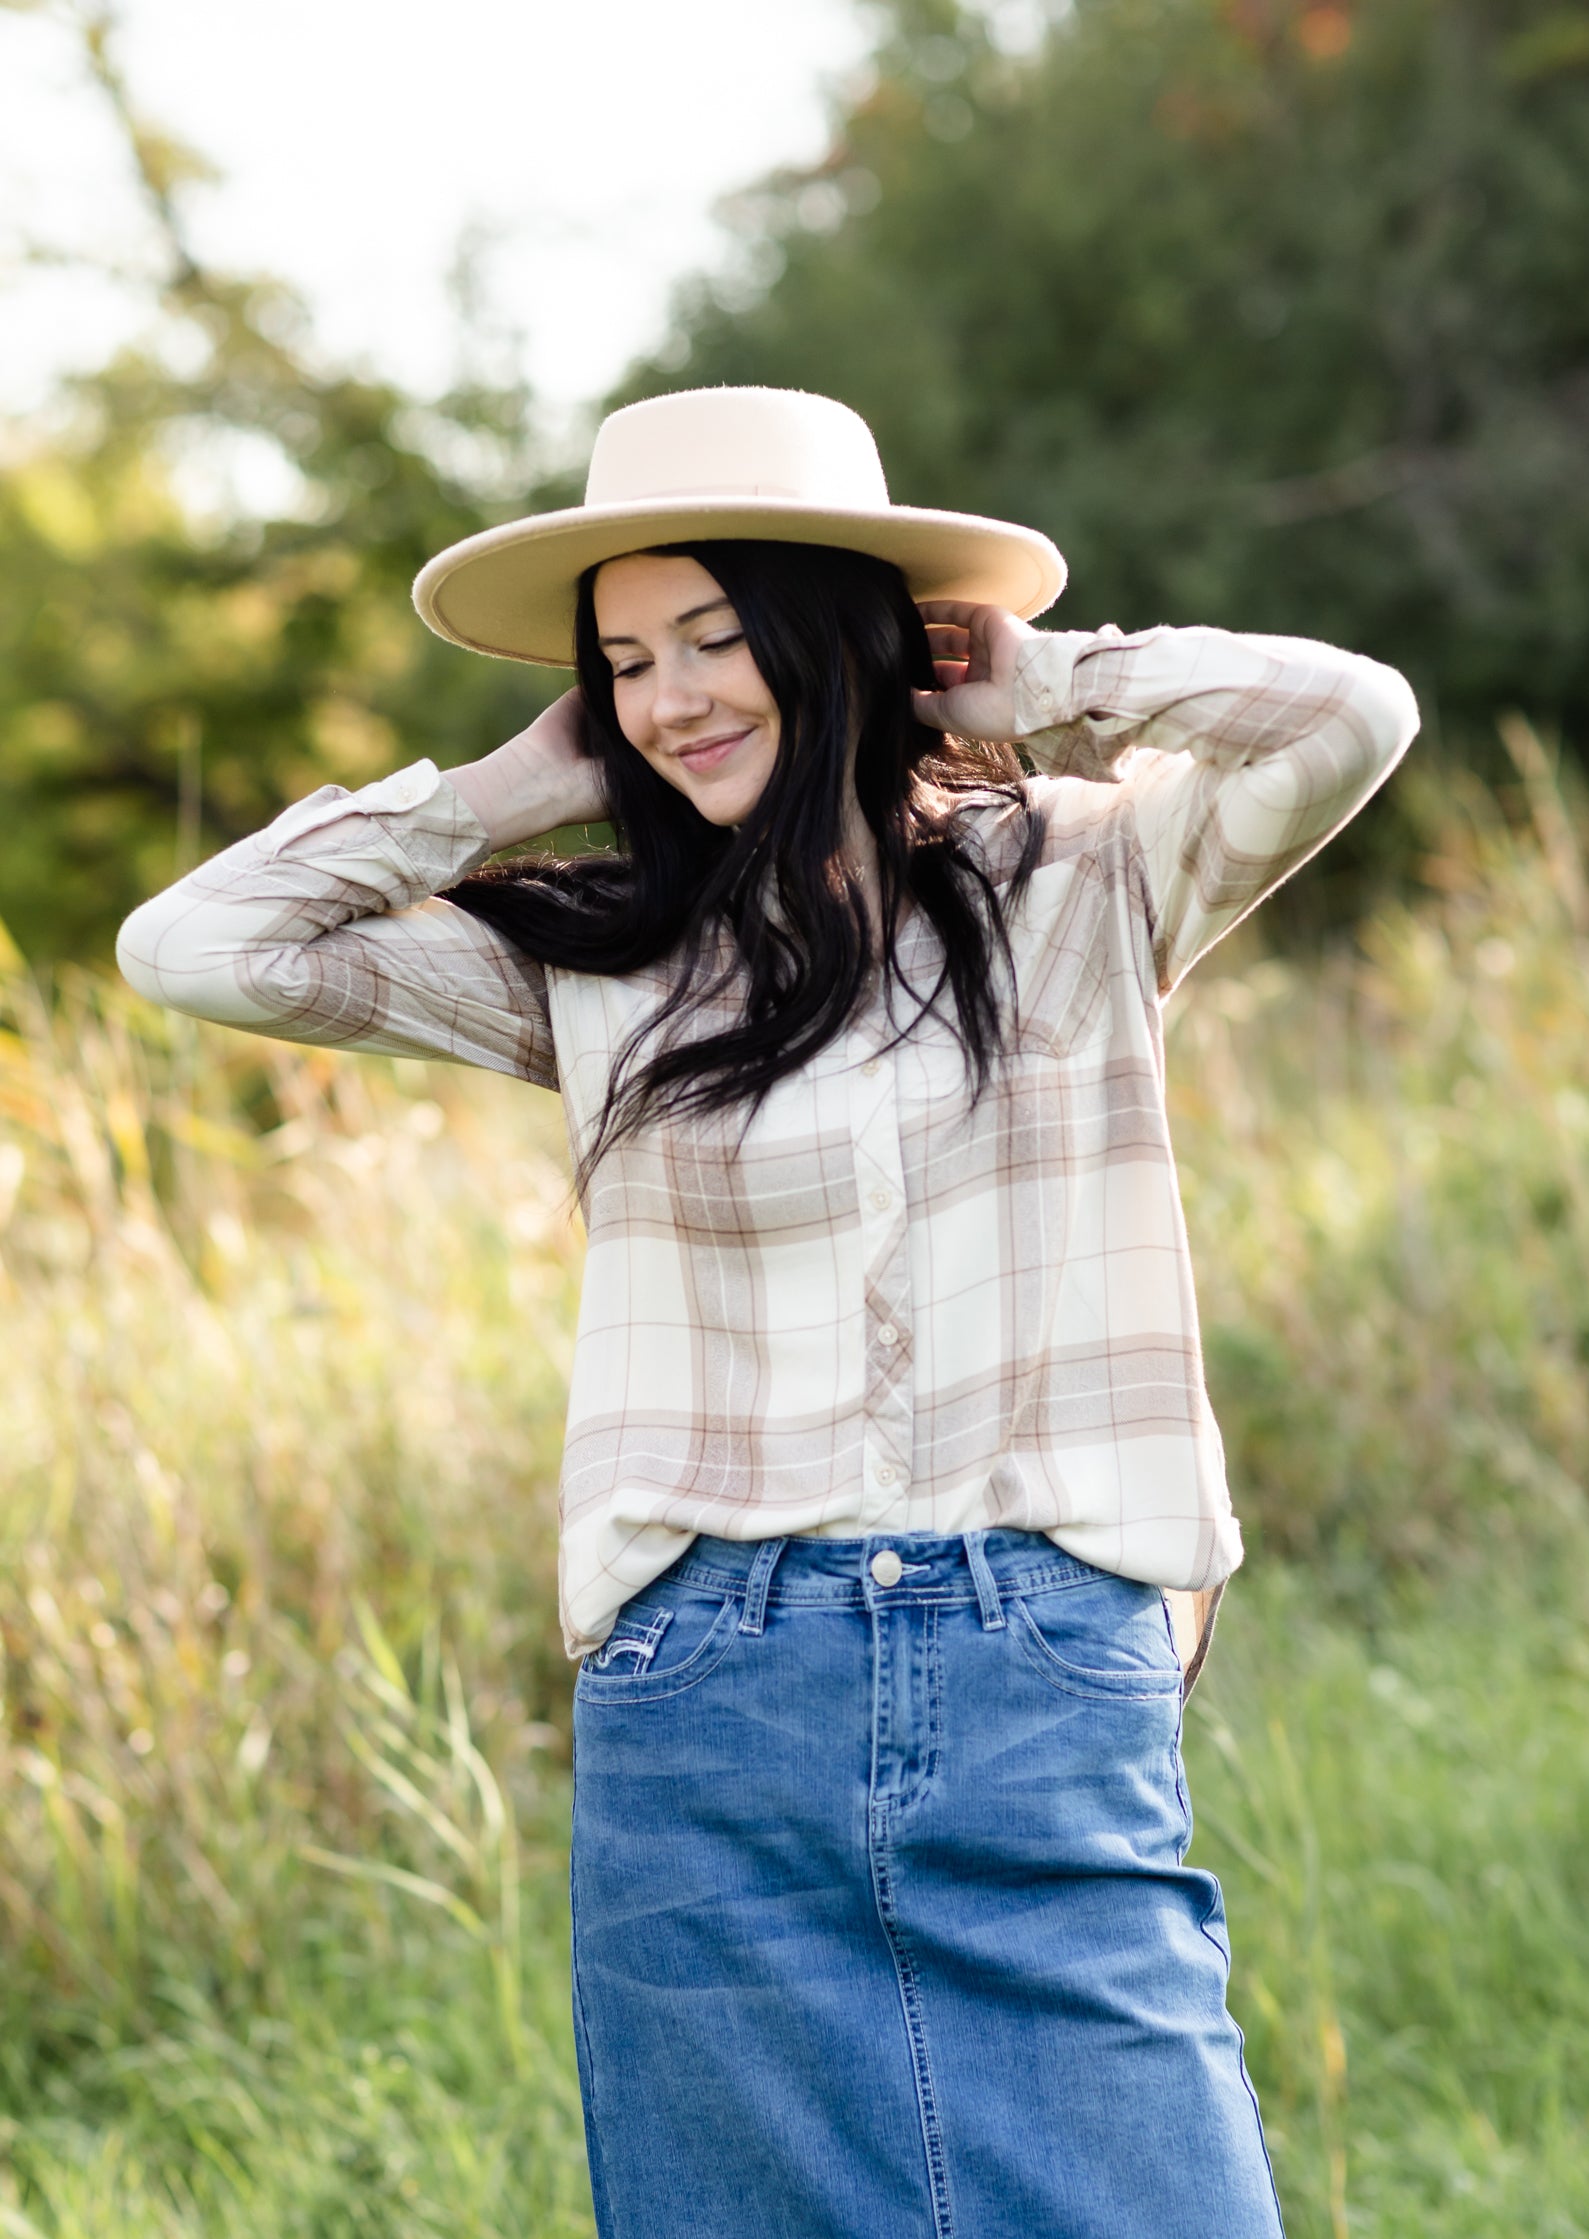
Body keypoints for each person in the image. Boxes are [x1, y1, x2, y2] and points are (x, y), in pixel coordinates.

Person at [118, 385, 1418, 2239]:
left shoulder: (1092, 868)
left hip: (1039, 1656)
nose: (676, 697)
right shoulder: (591, 952)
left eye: (723, 639)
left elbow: (1352, 715)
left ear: (846, 638)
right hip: (706, 1684)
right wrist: (503, 792)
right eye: (629, 662)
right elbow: (195, 947)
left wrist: (1035, 682)